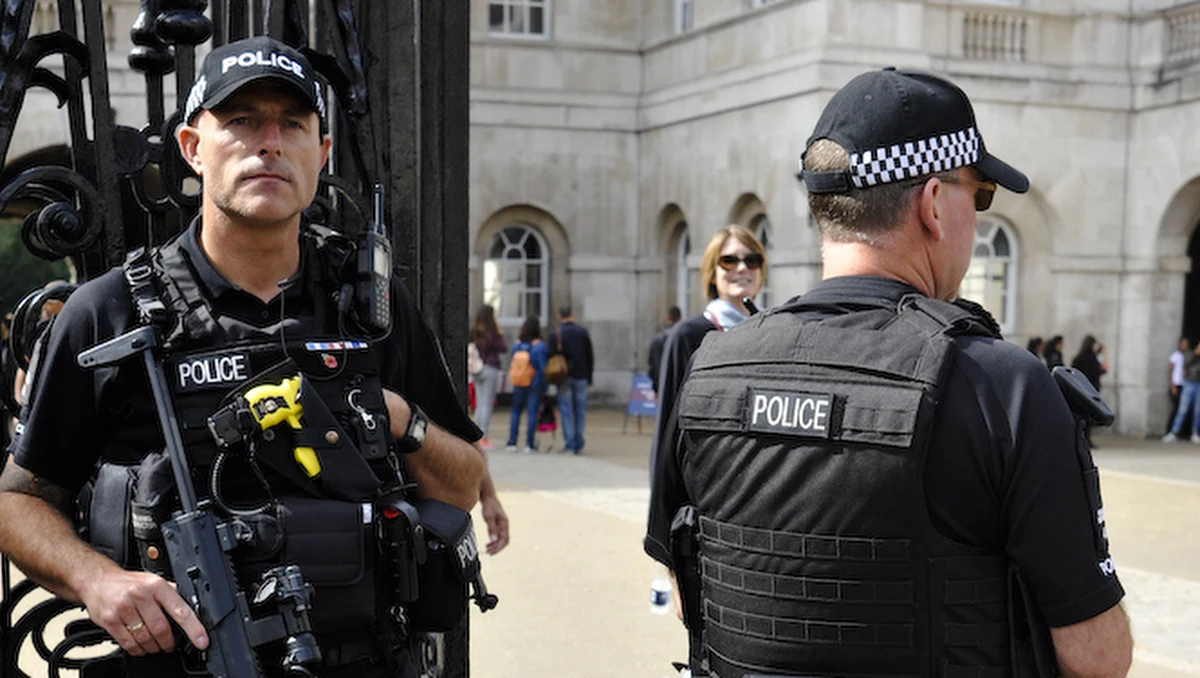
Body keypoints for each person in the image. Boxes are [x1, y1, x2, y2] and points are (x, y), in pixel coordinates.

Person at [0, 37, 490, 678]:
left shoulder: (370, 307)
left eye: (292, 123)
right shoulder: (108, 311)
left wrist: (394, 416)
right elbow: (19, 502)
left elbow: (462, 484)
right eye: (240, 121)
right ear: (192, 149)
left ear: (320, 154)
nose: (269, 142)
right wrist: (98, 581)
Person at [646, 67, 1131, 677]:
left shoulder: (711, 366)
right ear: (932, 203)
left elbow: (689, 585)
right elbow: (1098, 657)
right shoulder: (1002, 387)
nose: (977, 219)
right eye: (977, 195)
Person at [649, 225, 766, 483]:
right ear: (712, 273)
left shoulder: (772, 332)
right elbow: (668, 433)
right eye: (729, 260)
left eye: (752, 260)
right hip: (706, 482)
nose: (742, 268)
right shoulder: (688, 336)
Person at [548, 306, 593, 454]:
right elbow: (589, 356)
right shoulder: (582, 332)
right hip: (581, 375)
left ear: (559, 316)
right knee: (580, 410)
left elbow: (551, 358)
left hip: (564, 377)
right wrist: (589, 377)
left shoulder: (556, 334)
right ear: (572, 315)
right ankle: (579, 441)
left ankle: (570, 443)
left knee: (566, 411)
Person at [506, 315, 547, 454]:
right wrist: (545, 387)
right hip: (533, 382)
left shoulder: (517, 344)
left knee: (516, 411)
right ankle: (529, 444)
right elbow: (542, 368)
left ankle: (512, 441)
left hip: (518, 381)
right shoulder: (539, 345)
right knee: (532, 413)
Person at [469, 304, 507, 448]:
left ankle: (476, 435)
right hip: (490, 367)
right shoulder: (492, 332)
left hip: (477, 369)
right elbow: (503, 347)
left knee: (479, 404)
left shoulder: (475, 330)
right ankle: (483, 437)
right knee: (487, 404)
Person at [1071, 335, 1109, 446]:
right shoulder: (1092, 358)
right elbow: (1101, 370)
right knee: (1088, 417)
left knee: (1080, 416)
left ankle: (1080, 439)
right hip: (1091, 390)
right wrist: (1104, 354)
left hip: (1079, 389)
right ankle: (1086, 439)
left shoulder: (1078, 357)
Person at [1163, 339, 1200, 444]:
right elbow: (1184, 366)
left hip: (1199, 384)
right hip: (1189, 383)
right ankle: (1174, 432)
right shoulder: (1187, 355)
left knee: (1198, 411)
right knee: (1182, 409)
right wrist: (1195, 354)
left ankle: (1195, 433)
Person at [648, 305, 682, 394]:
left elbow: (652, 366)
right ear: (680, 318)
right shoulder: (682, 338)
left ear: (667, 318)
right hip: (679, 388)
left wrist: (656, 387)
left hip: (661, 386)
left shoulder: (657, 338)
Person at [1166, 336, 1189, 436]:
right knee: (1176, 409)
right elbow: (1170, 371)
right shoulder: (1176, 355)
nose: (1185, 346)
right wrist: (1172, 386)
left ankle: (1179, 432)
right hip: (1175, 385)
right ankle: (1169, 431)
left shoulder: (1186, 356)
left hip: (1183, 385)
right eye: (1184, 344)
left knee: (1180, 409)